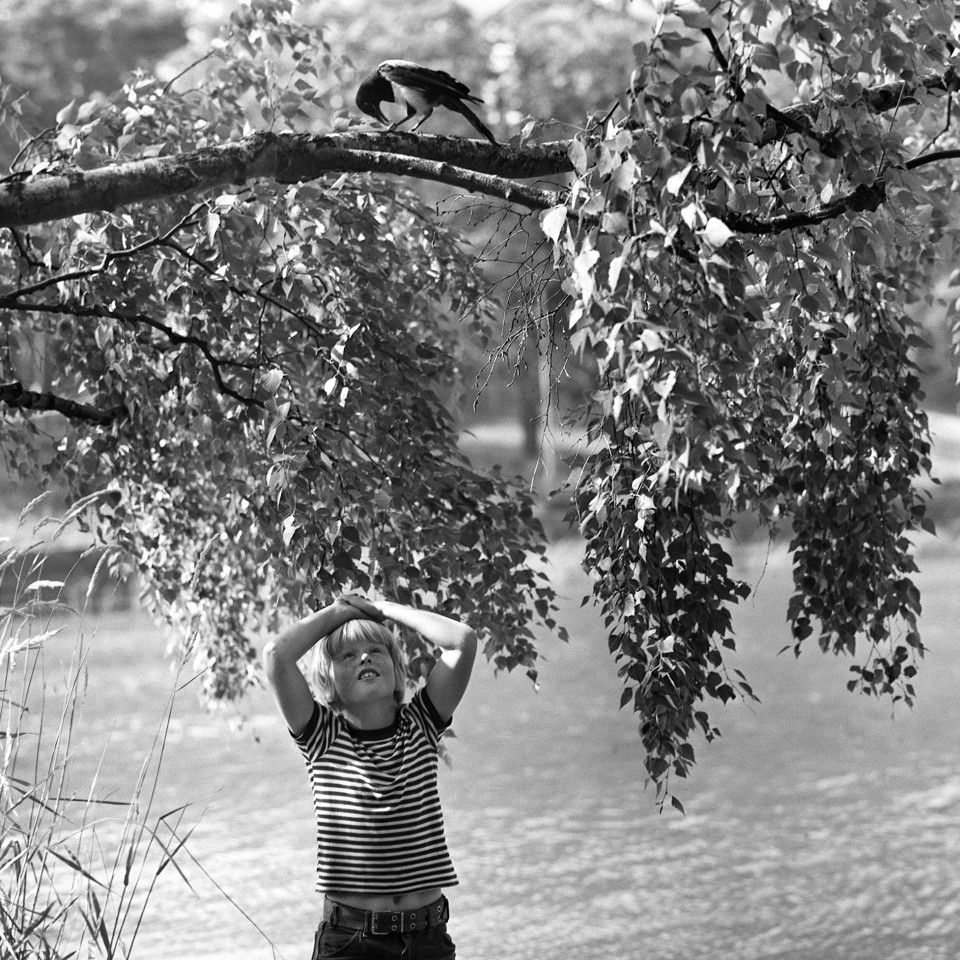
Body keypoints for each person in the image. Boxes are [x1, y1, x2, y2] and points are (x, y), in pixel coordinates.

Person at [262, 592, 478, 960]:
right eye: (348, 655)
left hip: (427, 941)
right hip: (351, 942)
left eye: (376, 650)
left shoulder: (421, 724)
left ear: (396, 671)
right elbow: (276, 657)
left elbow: (462, 641)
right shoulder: (322, 736)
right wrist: (339, 612)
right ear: (328, 682)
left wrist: (386, 610)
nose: (364, 656)